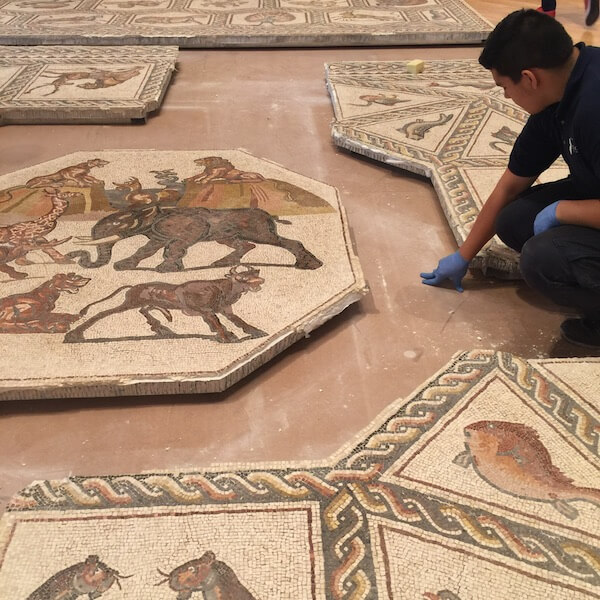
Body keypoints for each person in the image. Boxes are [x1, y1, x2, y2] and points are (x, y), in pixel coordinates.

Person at [420, 9, 600, 347]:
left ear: (530, 79)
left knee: (543, 259)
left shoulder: (594, 107)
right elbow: (511, 184)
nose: (505, 97)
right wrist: (464, 254)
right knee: (515, 220)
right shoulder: (560, 93)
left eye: (505, 87)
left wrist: (564, 211)